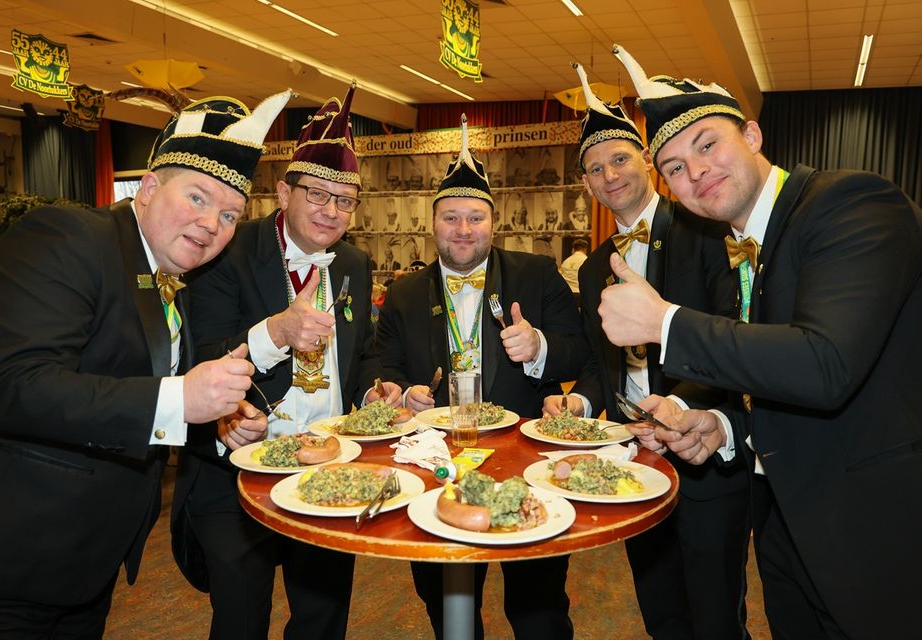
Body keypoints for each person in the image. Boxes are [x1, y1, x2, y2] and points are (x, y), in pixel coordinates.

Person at [599, 45, 922, 640]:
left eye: (707, 145)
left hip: (873, 529)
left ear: (751, 135)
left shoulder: (851, 203)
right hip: (785, 524)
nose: (696, 172)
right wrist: (721, 426)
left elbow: (826, 365)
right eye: (674, 167)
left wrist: (664, 322)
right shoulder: (750, 247)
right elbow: (777, 378)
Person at [0, 90, 294, 638]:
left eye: (229, 214)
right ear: (150, 188)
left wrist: (217, 423)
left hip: (84, 568)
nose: (211, 223)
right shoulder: (66, 238)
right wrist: (181, 399)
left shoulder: (174, 283)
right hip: (2, 564)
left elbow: (137, 398)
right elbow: (15, 387)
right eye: (197, 197)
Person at [171, 84, 402, 640]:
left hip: (329, 466)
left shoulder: (354, 262)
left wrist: (372, 391)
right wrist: (276, 332)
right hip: (235, 471)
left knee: (323, 618)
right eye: (317, 194)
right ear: (282, 192)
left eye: (344, 200)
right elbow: (200, 356)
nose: (331, 211)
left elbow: (362, 354)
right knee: (241, 621)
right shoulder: (226, 250)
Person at [543, 64, 749, 640]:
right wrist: (582, 403)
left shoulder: (705, 229)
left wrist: (678, 407)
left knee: (716, 617)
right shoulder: (592, 268)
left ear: (647, 160)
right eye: (595, 168)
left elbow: (731, 335)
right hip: (636, 460)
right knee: (661, 613)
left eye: (619, 159)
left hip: (703, 454)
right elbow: (597, 363)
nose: (609, 175)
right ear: (586, 185)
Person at [375, 115, 588, 640]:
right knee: (448, 606)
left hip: (525, 463)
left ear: (494, 222)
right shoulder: (403, 293)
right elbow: (382, 365)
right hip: (436, 467)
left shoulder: (537, 274)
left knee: (538, 612)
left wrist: (538, 348)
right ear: (433, 222)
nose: (464, 229)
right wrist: (402, 391)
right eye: (451, 217)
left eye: (475, 217)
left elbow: (579, 352)